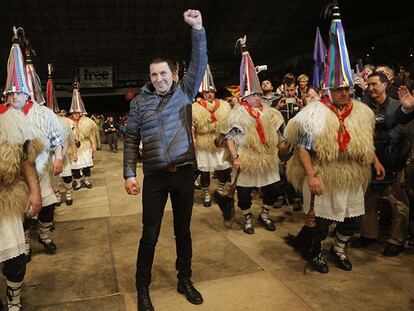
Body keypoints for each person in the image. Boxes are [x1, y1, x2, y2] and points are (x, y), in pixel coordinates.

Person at [285, 4, 383, 273]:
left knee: (353, 219)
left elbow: (364, 140)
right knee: (321, 222)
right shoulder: (313, 114)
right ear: (328, 88)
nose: (343, 92)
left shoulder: (361, 112)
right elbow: (303, 149)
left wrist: (374, 161)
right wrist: (311, 176)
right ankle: (315, 251)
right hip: (323, 174)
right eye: (338, 88)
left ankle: (338, 248)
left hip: (351, 174)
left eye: (347, 88)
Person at [123, 9, 207, 311]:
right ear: (150, 76)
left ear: (173, 74)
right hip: (156, 178)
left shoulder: (184, 92)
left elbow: (199, 62)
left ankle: (185, 279)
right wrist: (129, 173)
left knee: (183, 231)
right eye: (153, 74)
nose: (158, 78)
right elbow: (131, 137)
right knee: (150, 234)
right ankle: (142, 289)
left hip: (183, 174)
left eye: (163, 73)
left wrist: (197, 29)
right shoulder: (139, 102)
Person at [10, 28, 65, 257]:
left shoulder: (43, 114)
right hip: (14, 176)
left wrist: (59, 157)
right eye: (10, 94)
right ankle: (23, 243)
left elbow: (57, 139)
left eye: (17, 93)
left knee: (47, 208)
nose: (13, 97)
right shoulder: (5, 117)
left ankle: (44, 234)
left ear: (27, 93)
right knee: (19, 212)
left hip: (41, 171)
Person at [223, 35, 285, 234]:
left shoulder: (270, 112)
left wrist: (282, 147)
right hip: (246, 157)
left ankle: (265, 214)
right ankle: (247, 217)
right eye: (253, 95)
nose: (257, 97)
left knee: (275, 188)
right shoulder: (237, 114)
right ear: (245, 96)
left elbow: (278, 134)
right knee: (243, 193)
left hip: (266, 157)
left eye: (259, 94)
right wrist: (236, 158)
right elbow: (229, 138)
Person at [354, 72, 410, 257]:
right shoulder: (363, 107)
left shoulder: (398, 105)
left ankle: (397, 240)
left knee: (398, 204)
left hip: (394, 161)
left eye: (374, 84)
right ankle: (369, 234)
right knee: (368, 200)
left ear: (385, 85)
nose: (370, 88)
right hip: (369, 161)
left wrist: (380, 140)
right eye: (368, 85)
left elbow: (401, 130)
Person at [192, 65, 231, 207]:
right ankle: (206, 193)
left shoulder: (224, 105)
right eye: (206, 92)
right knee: (204, 170)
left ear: (214, 92)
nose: (209, 94)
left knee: (225, 167)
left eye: (211, 92)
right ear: (203, 93)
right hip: (203, 142)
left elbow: (229, 123)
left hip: (219, 141)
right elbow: (192, 125)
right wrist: (193, 139)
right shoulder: (195, 107)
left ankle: (220, 189)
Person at [69, 82, 97, 190]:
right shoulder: (68, 122)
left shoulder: (87, 121)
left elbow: (91, 134)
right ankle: (78, 182)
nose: (76, 114)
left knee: (86, 166)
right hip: (73, 148)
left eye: (78, 112)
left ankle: (86, 180)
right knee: (75, 167)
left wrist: (94, 145)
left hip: (85, 146)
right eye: (74, 112)